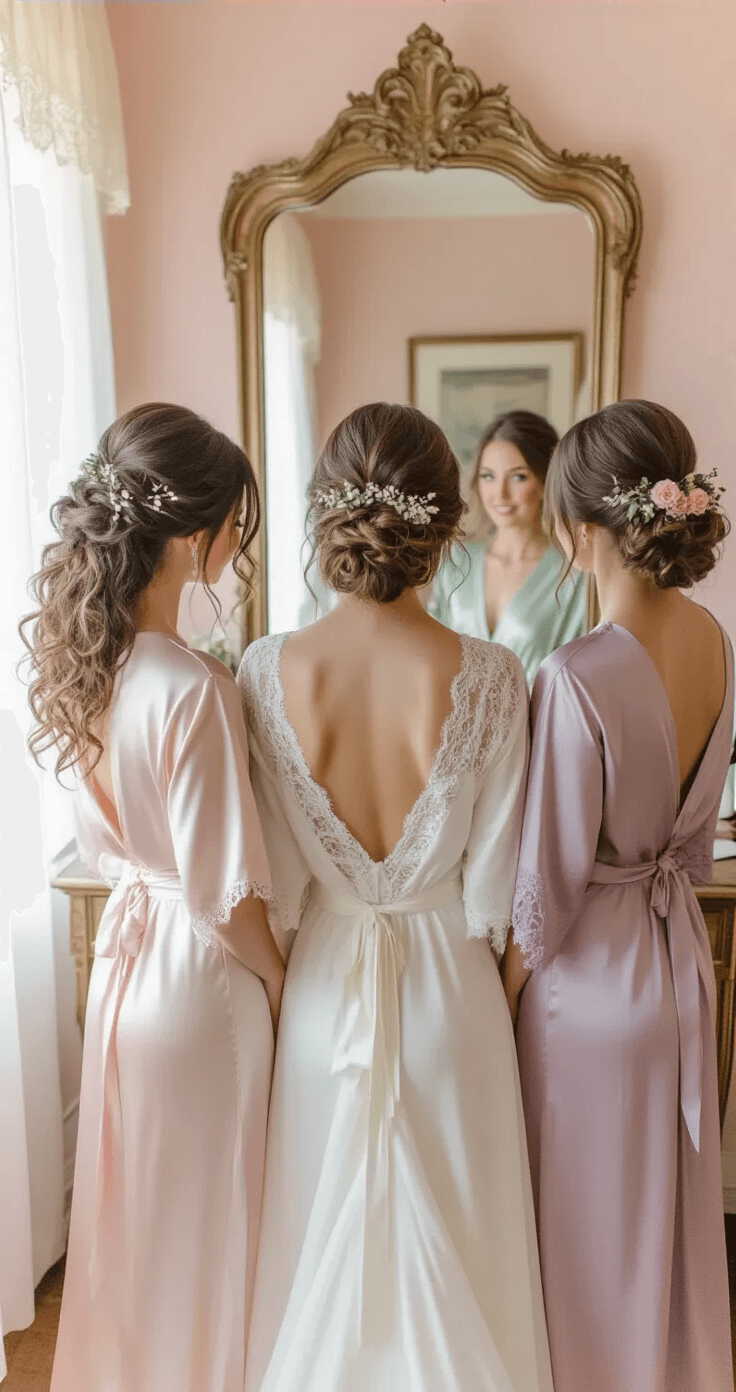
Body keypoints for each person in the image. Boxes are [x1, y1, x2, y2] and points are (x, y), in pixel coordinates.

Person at [239, 404, 554, 1392]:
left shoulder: (262, 671)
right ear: (446, 520)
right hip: (451, 997)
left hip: (324, 995)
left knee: (315, 1260)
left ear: (326, 514)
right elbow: (497, 889)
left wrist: (290, 981)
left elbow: (276, 883)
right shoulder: (494, 677)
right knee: (473, 1261)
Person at [21, 403, 285, 1392]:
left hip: (125, 975)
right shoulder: (195, 686)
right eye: (233, 527)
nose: (233, 546)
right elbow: (224, 894)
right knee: (210, 1227)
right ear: (193, 535)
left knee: (137, 1226)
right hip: (197, 982)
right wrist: (284, 978)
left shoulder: (91, 669)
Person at [503, 400, 734, 1392]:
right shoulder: (715, 640)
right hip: (678, 970)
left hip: (588, 992)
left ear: (578, 526)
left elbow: (545, 890)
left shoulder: (575, 674)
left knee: (582, 1247)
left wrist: (495, 995)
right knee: (659, 1234)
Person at [428, 410, 587, 686]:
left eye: (518, 477)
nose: (499, 494)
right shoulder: (455, 562)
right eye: (488, 476)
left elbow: (573, 676)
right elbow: (432, 656)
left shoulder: (572, 575)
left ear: (545, 481)